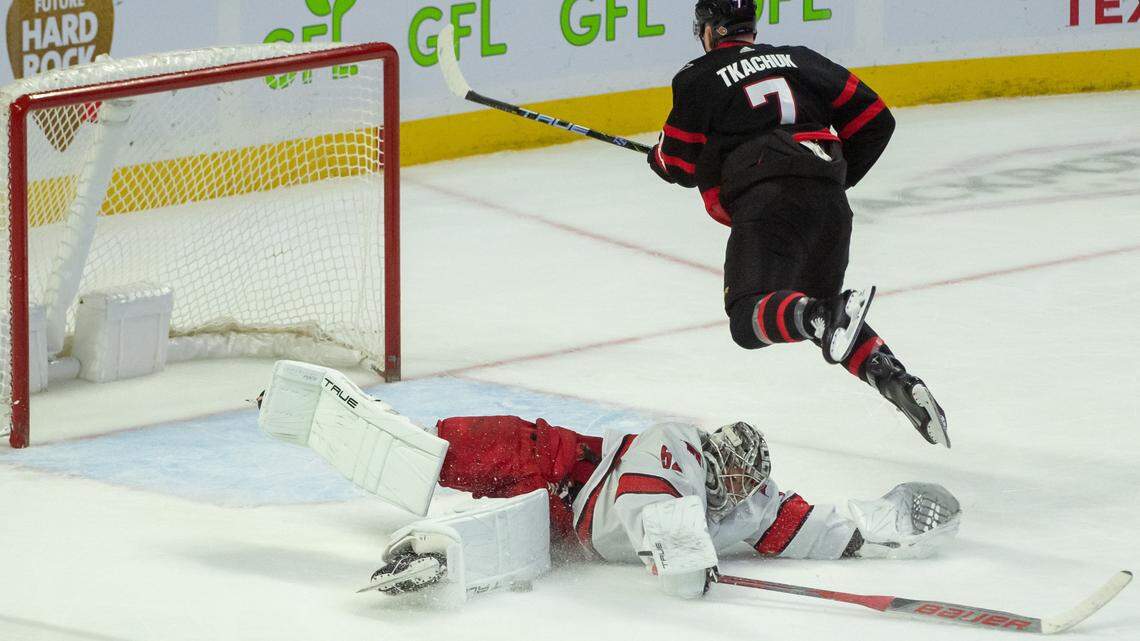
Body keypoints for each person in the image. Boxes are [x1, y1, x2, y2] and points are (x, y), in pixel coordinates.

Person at [646, 0, 949, 447]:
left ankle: (825, 320)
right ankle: (894, 378)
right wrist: (833, 180)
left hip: (768, 199)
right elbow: (875, 119)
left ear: (709, 30)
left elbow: (678, 163)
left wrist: (657, 158)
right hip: (827, 198)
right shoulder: (799, 58)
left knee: (748, 318)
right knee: (815, 311)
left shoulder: (697, 76)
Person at [371, 415, 961, 599]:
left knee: (519, 543)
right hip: (572, 471)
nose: (734, 486)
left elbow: (813, 526)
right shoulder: (676, 443)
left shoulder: (752, 505)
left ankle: (434, 558)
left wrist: (882, 527)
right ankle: (413, 445)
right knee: (512, 444)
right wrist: (685, 554)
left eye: (746, 479)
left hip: (570, 528)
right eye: (728, 469)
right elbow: (648, 502)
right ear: (713, 454)